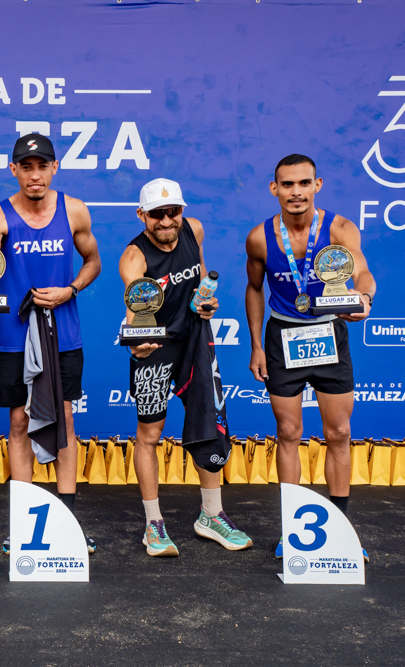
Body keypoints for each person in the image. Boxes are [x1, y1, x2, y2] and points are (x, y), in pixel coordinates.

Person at [244, 154, 375, 562]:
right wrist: (256, 345)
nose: (296, 192)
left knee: (339, 432)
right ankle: (294, 531)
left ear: (317, 185)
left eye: (304, 183)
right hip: (283, 335)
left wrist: (365, 298)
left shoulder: (339, 228)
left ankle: (340, 529)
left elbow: (363, 272)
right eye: (287, 184)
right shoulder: (259, 238)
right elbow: (254, 289)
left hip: (328, 331)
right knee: (288, 433)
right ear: (274, 189)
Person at [0, 134, 101, 554]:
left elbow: (93, 262)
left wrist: (71, 289)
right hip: (15, 337)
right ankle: (23, 523)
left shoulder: (74, 210)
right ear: (13, 170)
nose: (35, 175)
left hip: (63, 334)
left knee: (64, 419)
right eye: (26, 167)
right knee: (18, 422)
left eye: (42, 166)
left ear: (54, 168)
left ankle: (68, 521)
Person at [119, 178, 252, 557]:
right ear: (141, 215)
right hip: (155, 349)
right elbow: (134, 309)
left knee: (209, 423)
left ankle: (211, 515)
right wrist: (135, 339)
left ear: (182, 211)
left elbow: (201, 280)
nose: (166, 221)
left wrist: (206, 303)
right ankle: (153, 525)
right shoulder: (134, 257)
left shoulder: (194, 230)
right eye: (156, 214)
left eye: (172, 212)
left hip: (195, 341)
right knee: (150, 434)